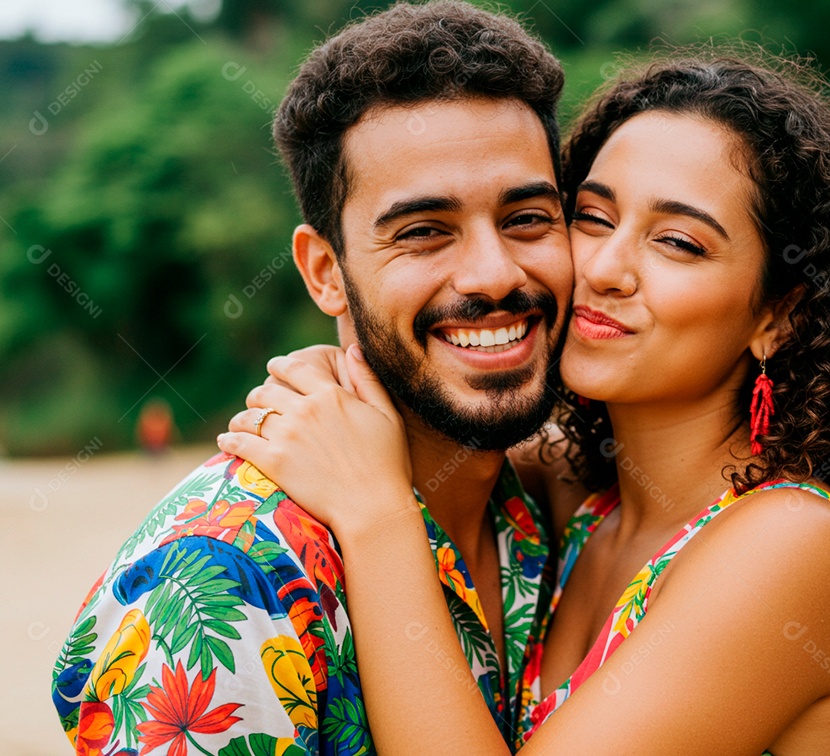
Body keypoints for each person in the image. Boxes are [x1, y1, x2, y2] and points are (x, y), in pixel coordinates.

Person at [218, 51, 830, 753]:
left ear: (779, 316)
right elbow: (436, 437)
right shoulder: (573, 497)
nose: (604, 267)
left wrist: (377, 519)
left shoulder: (792, 546)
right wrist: (334, 378)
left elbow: (386, 488)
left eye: (677, 242)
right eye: (593, 218)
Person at [50, 3, 573, 753]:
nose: (494, 275)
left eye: (526, 218)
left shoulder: (543, 513)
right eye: (424, 232)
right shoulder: (225, 582)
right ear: (325, 271)